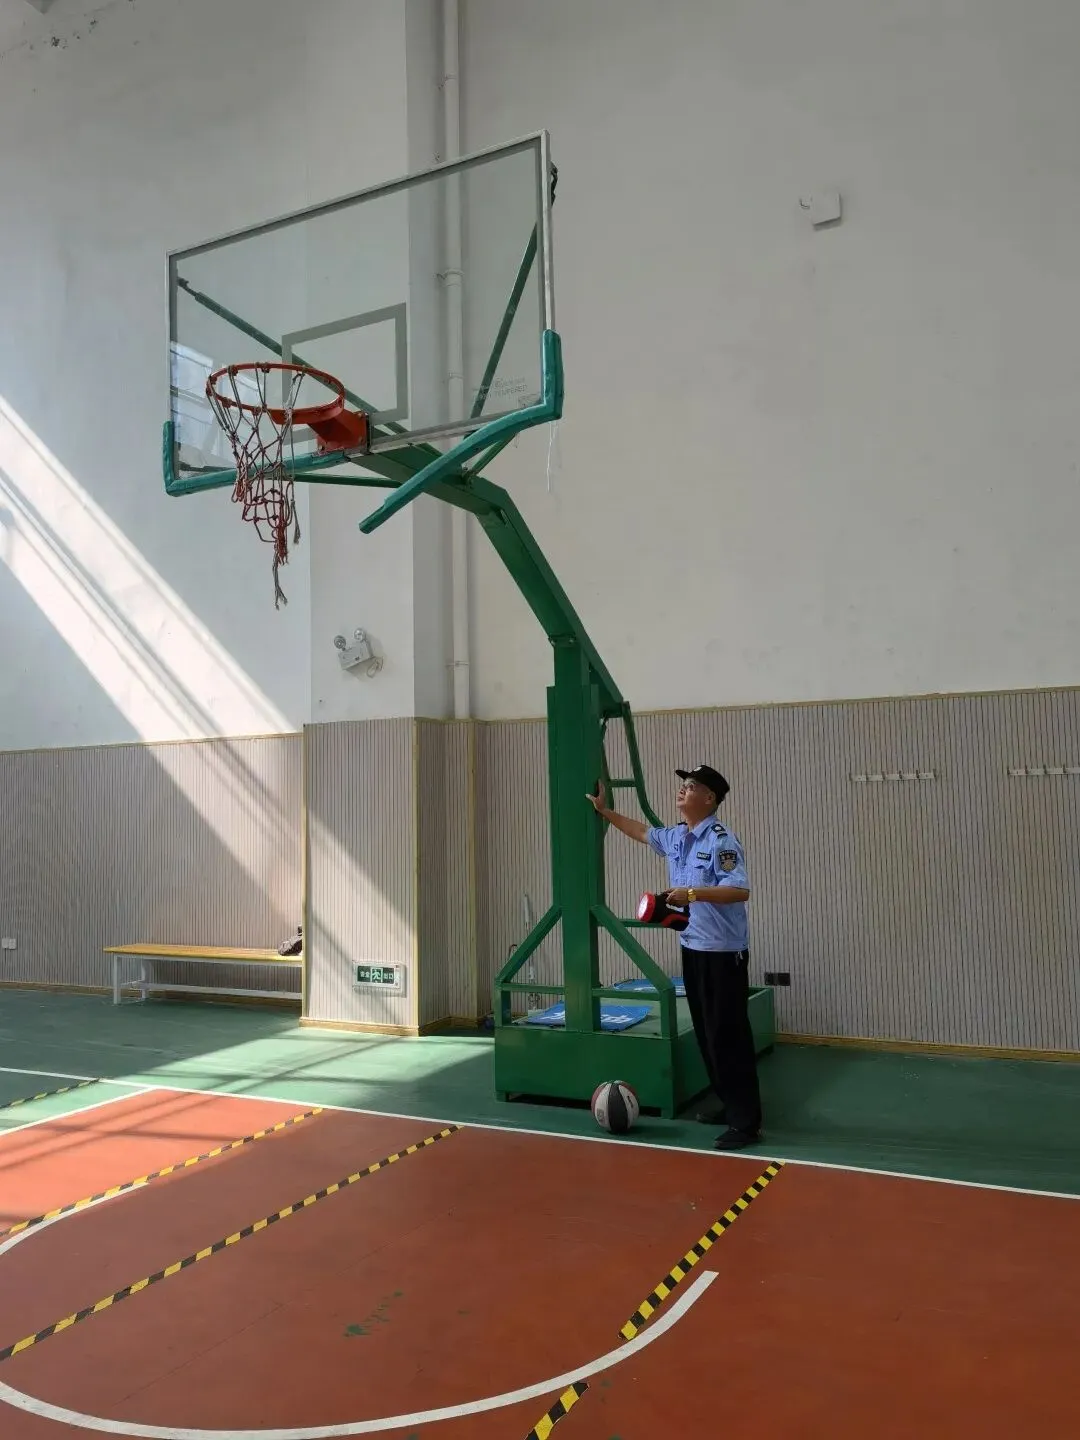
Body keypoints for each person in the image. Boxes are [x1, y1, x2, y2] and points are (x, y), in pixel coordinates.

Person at [586, 763, 762, 1150]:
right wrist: (604, 811)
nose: (683, 789)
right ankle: (728, 1104)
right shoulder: (677, 836)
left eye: (692, 786)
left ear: (709, 798)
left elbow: (740, 890)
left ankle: (746, 1123)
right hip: (693, 949)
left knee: (728, 1037)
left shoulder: (721, 840)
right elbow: (640, 831)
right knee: (707, 1035)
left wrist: (693, 894)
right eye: (684, 784)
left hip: (723, 954)